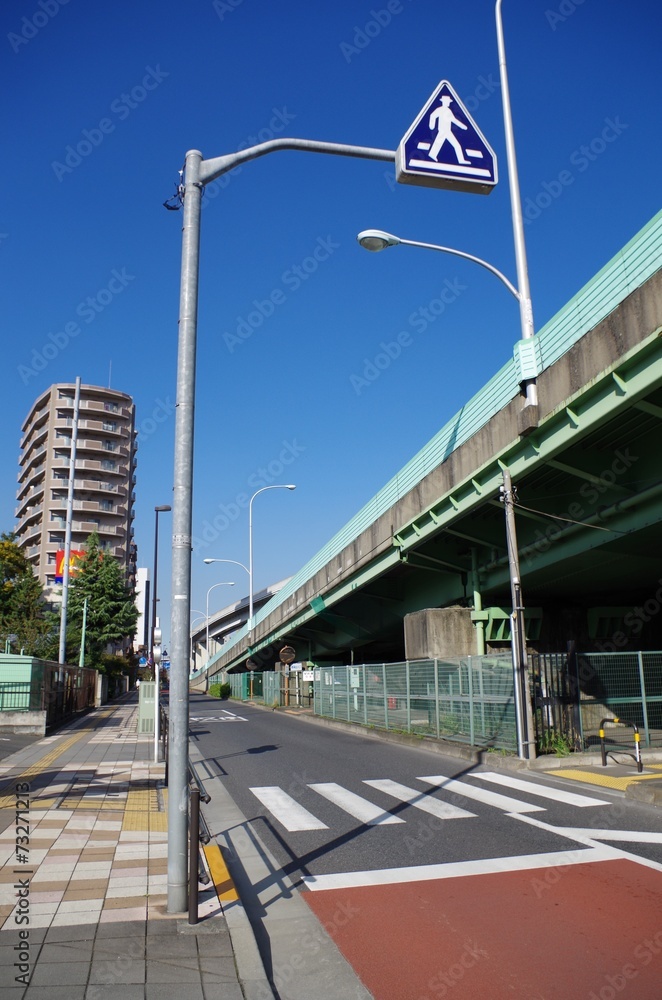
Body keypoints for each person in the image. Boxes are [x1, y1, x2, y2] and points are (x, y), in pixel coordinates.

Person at [428, 95, 470, 164]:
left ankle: (461, 160)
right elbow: (432, 115)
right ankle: (461, 160)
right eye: (447, 101)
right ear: (444, 102)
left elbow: (453, 120)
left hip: (447, 131)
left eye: (448, 102)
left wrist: (462, 126)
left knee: (454, 145)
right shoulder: (442, 110)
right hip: (443, 130)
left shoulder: (447, 110)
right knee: (450, 144)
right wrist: (431, 125)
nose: (448, 103)